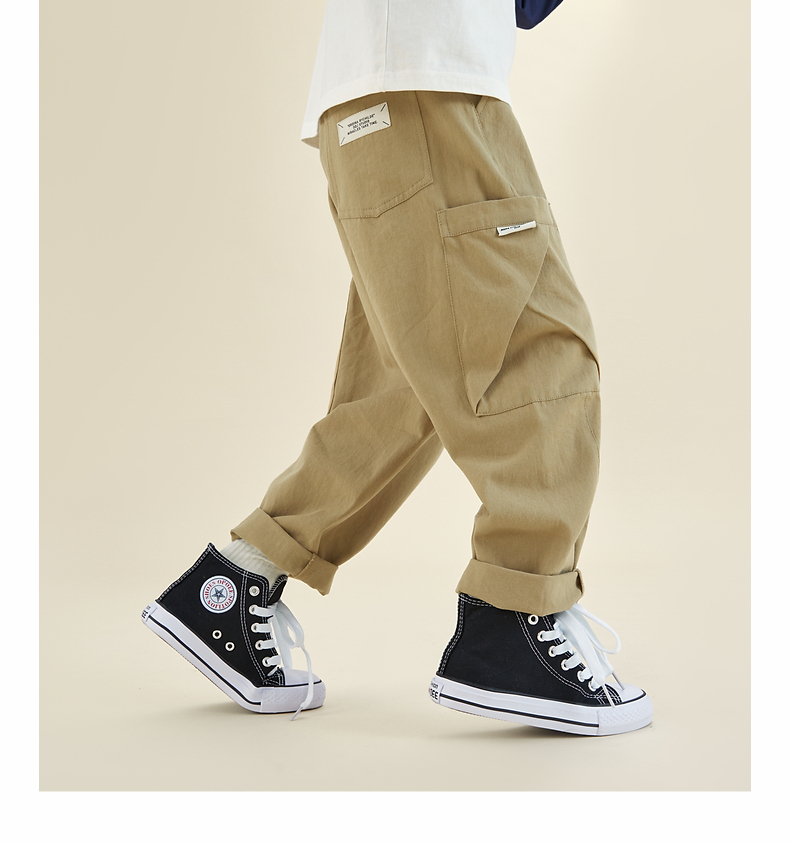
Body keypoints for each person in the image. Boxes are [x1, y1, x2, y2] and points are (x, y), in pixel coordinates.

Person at [142, 0, 652, 735]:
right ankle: (514, 617)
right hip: (423, 84)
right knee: (536, 349)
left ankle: (231, 583)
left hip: (389, 97)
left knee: (407, 391)